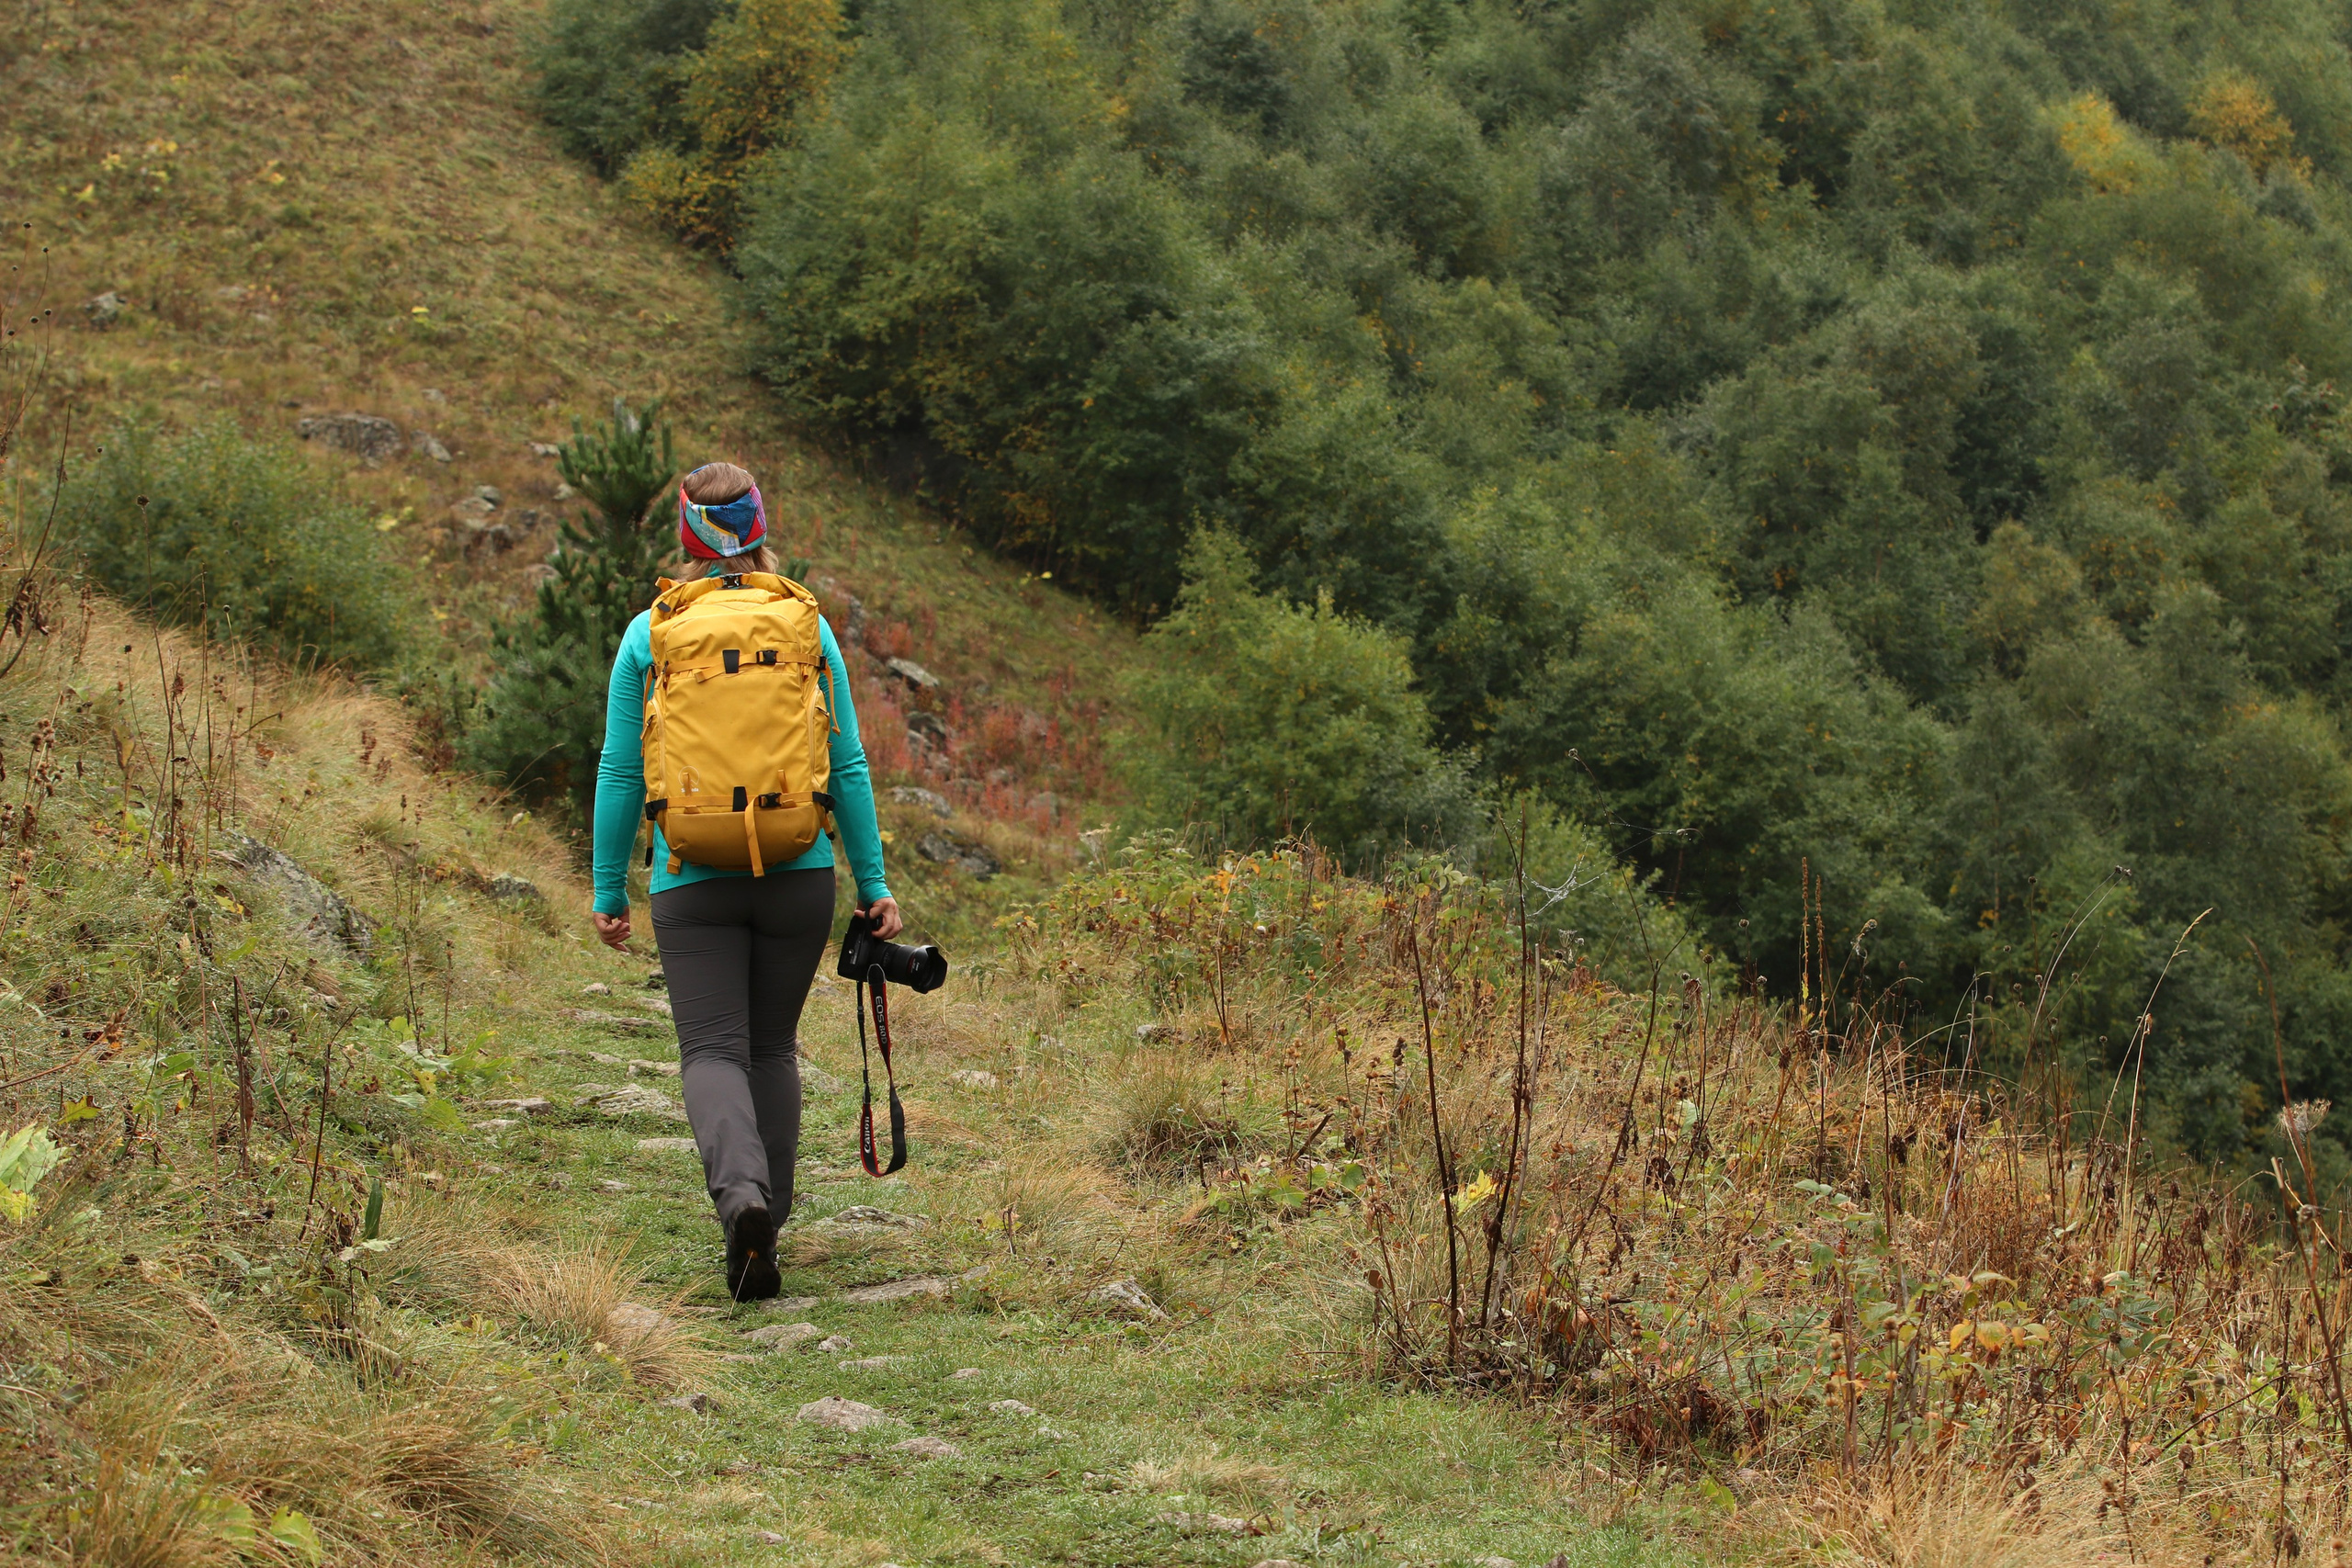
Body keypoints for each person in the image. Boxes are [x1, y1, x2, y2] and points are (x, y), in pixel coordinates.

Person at [587, 460, 901, 1302]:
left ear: (687, 535)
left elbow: (621, 772)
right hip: (798, 871)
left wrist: (607, 888)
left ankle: (742, 1203)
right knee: (769, 1046)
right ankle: (773, 1219)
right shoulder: (804, 625)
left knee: (713, 1050)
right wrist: (871, 880)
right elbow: (849, 763)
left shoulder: (649, 632)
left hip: (691, 876)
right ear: (758, 527)